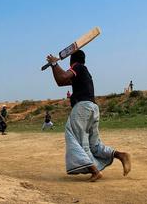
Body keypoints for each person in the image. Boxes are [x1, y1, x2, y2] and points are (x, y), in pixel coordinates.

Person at [46, 50, 131, 182]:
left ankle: (94, 171)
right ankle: (121, 155)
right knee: (94, 144)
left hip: (82, 107)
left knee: (74, 137)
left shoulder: (77, 67)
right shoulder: (83, 72)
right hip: (92, 108)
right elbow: (60, 81)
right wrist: (53, 65)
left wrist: (55, 63)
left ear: (71, 60)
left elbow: (62, 76)